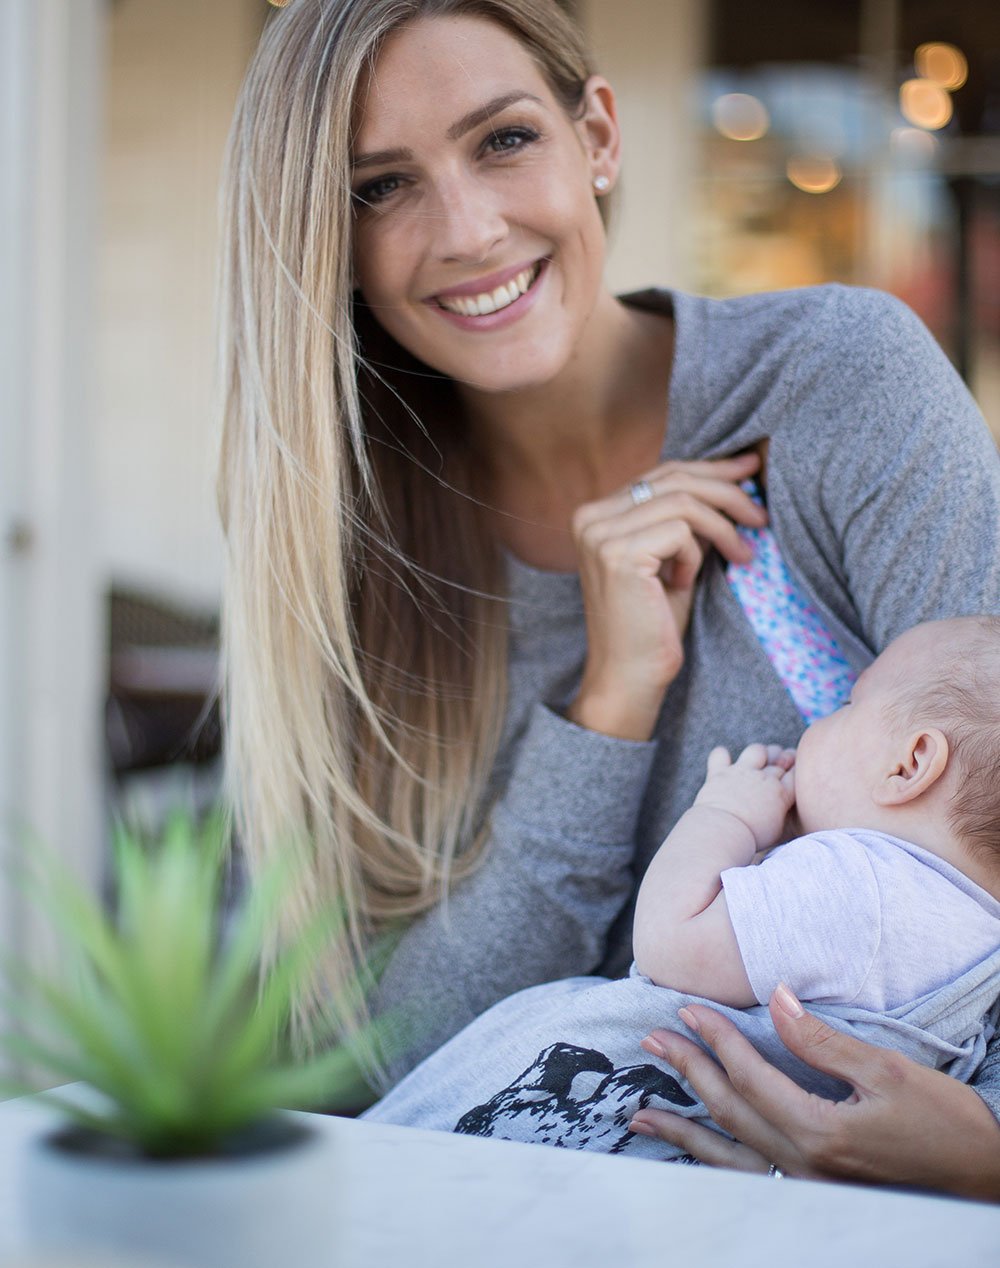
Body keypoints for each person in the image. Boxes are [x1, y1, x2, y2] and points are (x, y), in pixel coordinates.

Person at [216, 0, 1000, 1195]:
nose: (468, 228)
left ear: (597, 136)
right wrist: (608, 707)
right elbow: (345, 1065)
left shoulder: (837, 383)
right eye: (378, 187)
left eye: (504, 140)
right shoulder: (342, 554)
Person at [361, 617, 1000, 1163]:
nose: (820, 723)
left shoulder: (858, 879)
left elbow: (671, 943)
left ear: (909, 764)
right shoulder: (975, 938)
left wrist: (725, 816)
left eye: (847, 704)